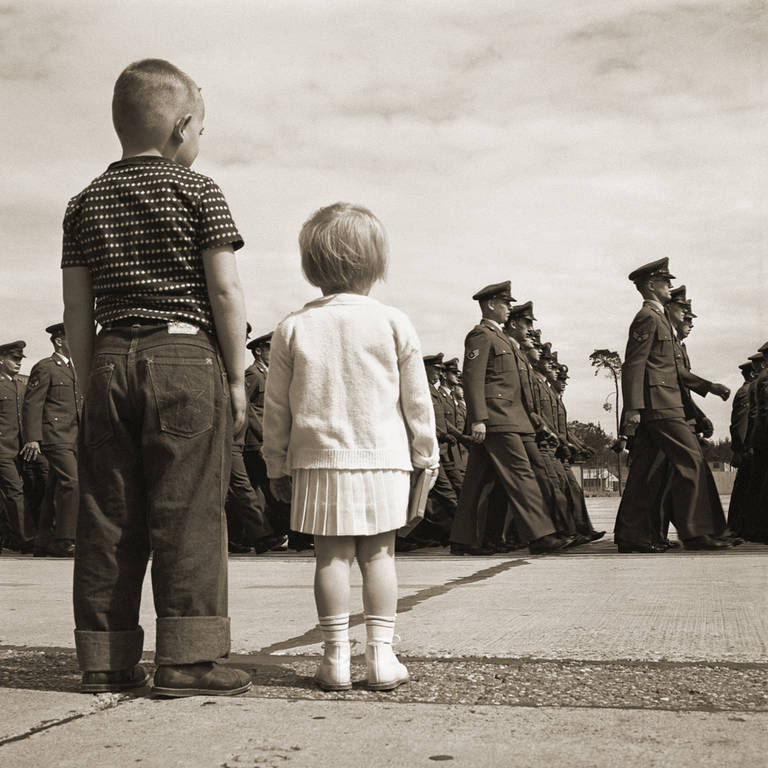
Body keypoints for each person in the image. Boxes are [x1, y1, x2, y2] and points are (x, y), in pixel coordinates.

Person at [62, 58, 252, 696]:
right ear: (183, 125)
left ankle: (104, 660)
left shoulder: (83, 202)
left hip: (110, 356)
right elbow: (224, 293)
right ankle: (189, 659)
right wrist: (236, 373)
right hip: (183, 357)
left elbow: (76, 310)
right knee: (190, 510)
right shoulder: (198, 192)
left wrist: (91, 387)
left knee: (108, 513)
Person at [263, 202, 439, 691]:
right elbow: (416, 401)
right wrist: (426, 455)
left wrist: (276, 463)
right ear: (376, 263)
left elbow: (276, 408)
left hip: (319, 460)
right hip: (384, 458)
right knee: (380, 557)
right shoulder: (393, 321)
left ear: (311, 265)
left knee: (330, 559)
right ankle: (381, 657)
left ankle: (334, 657)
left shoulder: (292, 326)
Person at [614, 259, 731, 553]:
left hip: (665, 403)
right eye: (665, 282)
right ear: (651, 286)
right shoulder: (647, 317)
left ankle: (632, 536)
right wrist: (632, 409)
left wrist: (708, 387)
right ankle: (697, 533)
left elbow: (674, 370)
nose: (669, 286)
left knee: (645, 473)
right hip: (659, 405)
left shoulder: (661, 319)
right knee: (691, 460)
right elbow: (634, 365)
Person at [449, 282, 564, 556]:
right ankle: (540, 535)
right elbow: (473, 378)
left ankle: (465, 539)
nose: (509, 308)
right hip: (495, 418)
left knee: (480, 481)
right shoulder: (480, 335)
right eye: (505, 303)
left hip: (510, 418)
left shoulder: (499, 337)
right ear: (490, 305)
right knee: (521, 474)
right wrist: (478, 418)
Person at [21, 324, 81, 557]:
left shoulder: (74, 369)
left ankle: (43, 542)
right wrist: (33, 438)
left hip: (74, 437)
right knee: (72, 482)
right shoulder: (46, 367)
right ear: (59, 341)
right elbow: (32, 403)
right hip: (54, 435)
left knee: (54, 487)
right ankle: (66, 540)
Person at [0, 341, 36, 552]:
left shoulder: (20, 386)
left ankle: (10, 538)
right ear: (1, 359)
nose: (19, 363)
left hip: (18, 450)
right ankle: (26, 538)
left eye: (20, 359)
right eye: (14, 359)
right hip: (2, 449)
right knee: (14, 491)